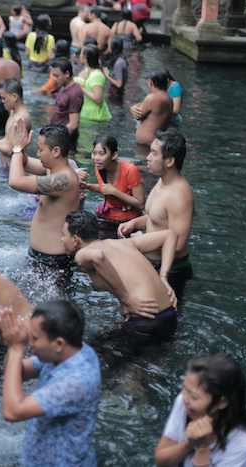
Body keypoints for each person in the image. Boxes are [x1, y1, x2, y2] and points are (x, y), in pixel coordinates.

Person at [0, 299, 101, 467]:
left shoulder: (75, 382)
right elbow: (17, 372)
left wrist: (17, 348)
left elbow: (12, 412)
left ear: (59, 343)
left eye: (35, 338)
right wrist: (13, 344)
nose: (30, 343)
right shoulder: (68, 351)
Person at [62, 210, 179, 340]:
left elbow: (98, 256)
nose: (61, 239)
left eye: (63, 234)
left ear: (75, 239)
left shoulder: (82, 253)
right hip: (170, 315)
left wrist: (126, 299)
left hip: (146, 320)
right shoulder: (122, 243)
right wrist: (163, 277)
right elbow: (170, 235)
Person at [117, 130, 194, 300]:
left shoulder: (179, 195)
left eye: (154, 153)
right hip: (153, 263)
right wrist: (135, 223)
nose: (148, 158)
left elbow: (178, 244)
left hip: (171, 271)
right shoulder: (162, 180)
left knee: (163, 321)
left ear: (170, 161)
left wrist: (141, 241)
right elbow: (158, 217)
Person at [154, 354, 246, 467]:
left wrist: (203, 448)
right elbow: (161, 462)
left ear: (222, 402)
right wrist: (189, 443)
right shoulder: (184, 403)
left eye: (194, 396)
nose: (185, 398)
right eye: (184, 389)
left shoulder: (243, 445)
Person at [8, 121, 81, 266]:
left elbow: (15, 181)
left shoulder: (64, 179)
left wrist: (18, 148)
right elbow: (23, 162)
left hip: (53, 262)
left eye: (41, 150)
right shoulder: (51, 169)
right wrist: (21, 148)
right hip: (39, 256)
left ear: (56, 151)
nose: (38, 154)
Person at [82, 136, 144, 237]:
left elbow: (141, 204)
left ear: (114, 155)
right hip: (108, 216)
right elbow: (105, 189)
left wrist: (114, 191)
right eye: (94, 153)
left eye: (102, 153)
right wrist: (89, 186)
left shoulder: (130, 170)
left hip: (129, 221)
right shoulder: (100, 166)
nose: (96, 158)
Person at [130, 67, 173, 145]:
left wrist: (132, 108)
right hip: (156, 142)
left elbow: (138, 115)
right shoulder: (169, 98)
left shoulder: (152, 98)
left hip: (148, 145)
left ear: (150, 83)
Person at [49, 57, 83, 154]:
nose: (54, 79)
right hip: (58, 138)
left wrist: (55, 139)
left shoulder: (74, 93)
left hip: (64, 142)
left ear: (67, 74)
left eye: (57, 76)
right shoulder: (64, 87)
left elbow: (73, 124)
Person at [75, 45, 112, 122]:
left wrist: (81, 87)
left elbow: (98, 99)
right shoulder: (86, 71)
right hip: (87, 114)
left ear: (85, 59)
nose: (80, 56)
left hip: (95, 116)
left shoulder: (96, 75)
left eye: (81, 54)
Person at [103, 36, 129, 100]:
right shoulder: (121, 59)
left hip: (116, 93)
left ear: (112, 48)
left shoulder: (119, 63)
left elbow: (119, 84)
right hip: (118, 92)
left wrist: (107, 76)